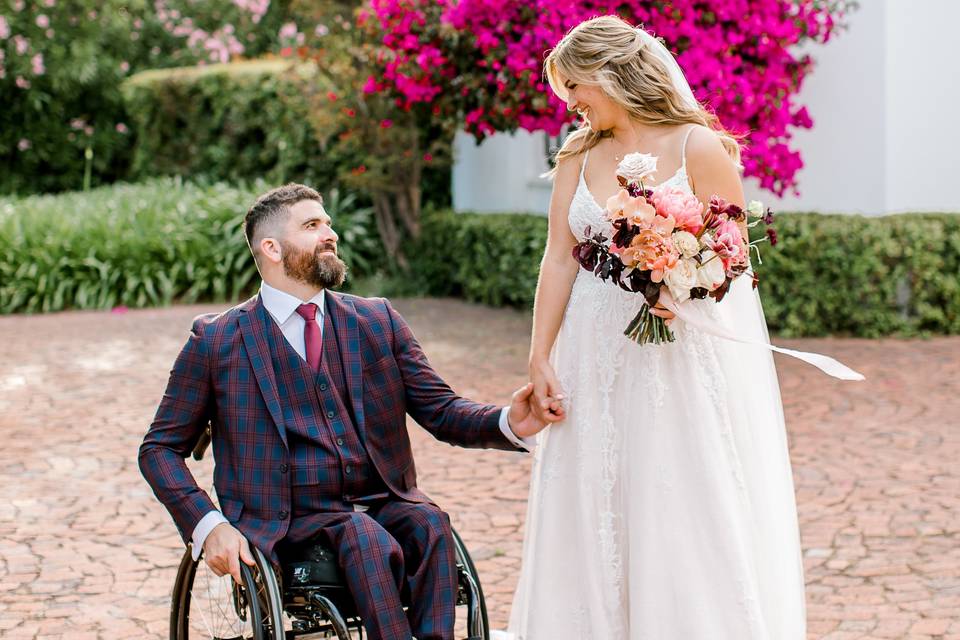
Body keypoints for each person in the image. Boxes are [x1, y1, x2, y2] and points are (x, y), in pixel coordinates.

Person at [139, 183, 559, 640]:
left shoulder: (376, 321)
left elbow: (440, 409)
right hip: (288, 520)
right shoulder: (218, 341)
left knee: (430, 523)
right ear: (272, 247)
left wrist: (511, 422)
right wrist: (209, 525)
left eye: (329, 223)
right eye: (312, 225)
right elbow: (159, 448)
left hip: (381, 500)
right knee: (364, 538)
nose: (330, 233)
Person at [498, 16, 807, 639]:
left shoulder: (699, 146)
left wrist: (685, 290)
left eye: (575, 87)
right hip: (591, 344)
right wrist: (540, 355)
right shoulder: (578, 154)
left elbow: (733, 253)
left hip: (674, 351)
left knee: (673, 487)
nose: (571, 103)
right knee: (593, 487)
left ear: (610, 73)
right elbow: (559, 255)